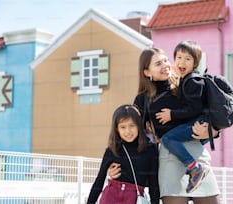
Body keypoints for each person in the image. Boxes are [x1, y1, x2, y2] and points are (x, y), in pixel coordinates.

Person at [108, 47, 220, 204]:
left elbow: (211, 113)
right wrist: (113, 165)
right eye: (158, 63)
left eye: (166, 60)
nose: (165, 65)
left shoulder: (185, 85)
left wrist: (213, 131)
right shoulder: (142, 99)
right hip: (169, 158)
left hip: (197, 153)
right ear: (147, 72)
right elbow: (131, 136)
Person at [157, 40, 219, 193]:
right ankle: (194, 169)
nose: (181, 62)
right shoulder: (186, 80)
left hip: (200, 121)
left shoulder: (193, 80)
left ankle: (195, 168)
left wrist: (172, 114)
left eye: (187, 59)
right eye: (178, 57)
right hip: (201, 124)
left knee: (168, 139)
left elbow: (194, 108)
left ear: (195, 63)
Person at [86, 104, 160, 204]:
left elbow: (153, 183)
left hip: (134, 198)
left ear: (138, 125)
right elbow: (99, 181)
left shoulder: (150, 150)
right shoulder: (112, 150)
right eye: (123, 127)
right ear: (117, 129)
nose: (128, 131)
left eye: (132, 126)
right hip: (110, 197)